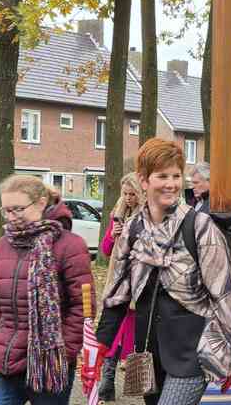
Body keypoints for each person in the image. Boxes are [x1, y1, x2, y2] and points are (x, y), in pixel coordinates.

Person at [96, 138, 231, 405]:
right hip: (147, 355)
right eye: (162, 176)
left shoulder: (199, 227)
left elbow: (223, 293)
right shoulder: (132, 230)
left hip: (191, 352)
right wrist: (100, 345)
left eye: (176, 176)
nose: (171, 183)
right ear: (144, 180)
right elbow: (117, 293)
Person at [0, 175, 94, 404]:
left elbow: (83, 308)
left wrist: (63, 351)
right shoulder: (4, 244)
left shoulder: (70, 245)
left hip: (49, 363)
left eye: (18, 209)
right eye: (6, 210)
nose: (12, 218)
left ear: (41, 203)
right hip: (4, 358)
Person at [97, 172, 145, 402]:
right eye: (125, 193)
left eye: (132, 194)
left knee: (138, 336)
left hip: (138, 284)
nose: (128, 198)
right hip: (117, 284)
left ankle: (139, 386)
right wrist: (113, 234)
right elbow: (105, 250)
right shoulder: (117, 214)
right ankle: (106, 379)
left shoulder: (147, 216)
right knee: (113, 333)